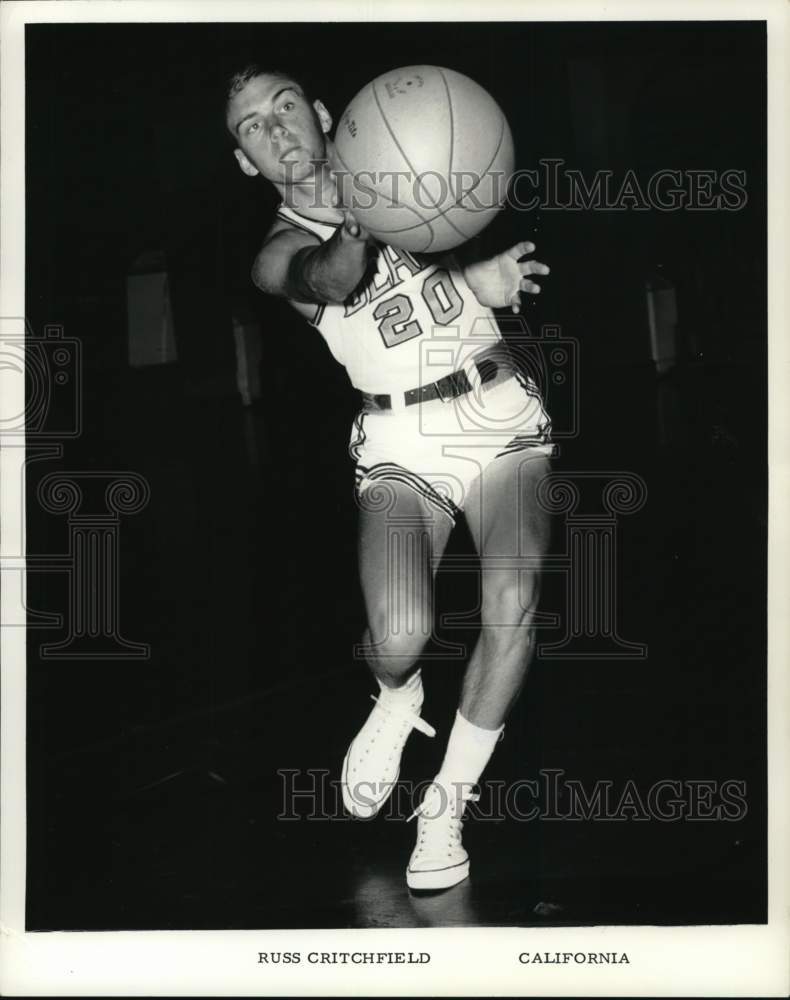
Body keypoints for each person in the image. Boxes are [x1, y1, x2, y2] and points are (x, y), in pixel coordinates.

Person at [226, 64, 553, 891]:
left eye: (285, 107)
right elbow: (331, 279)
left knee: (512, 606)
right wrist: (365, 220)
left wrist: (484, 282)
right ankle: (395, 696)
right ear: (245, 163)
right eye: (253, 128)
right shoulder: (277, 252)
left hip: (498, 412)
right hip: (399, 439)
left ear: (328, 113)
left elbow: (448, 276)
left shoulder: (420, 170)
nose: (276, 130)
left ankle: (447, 802)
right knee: (401, 633)